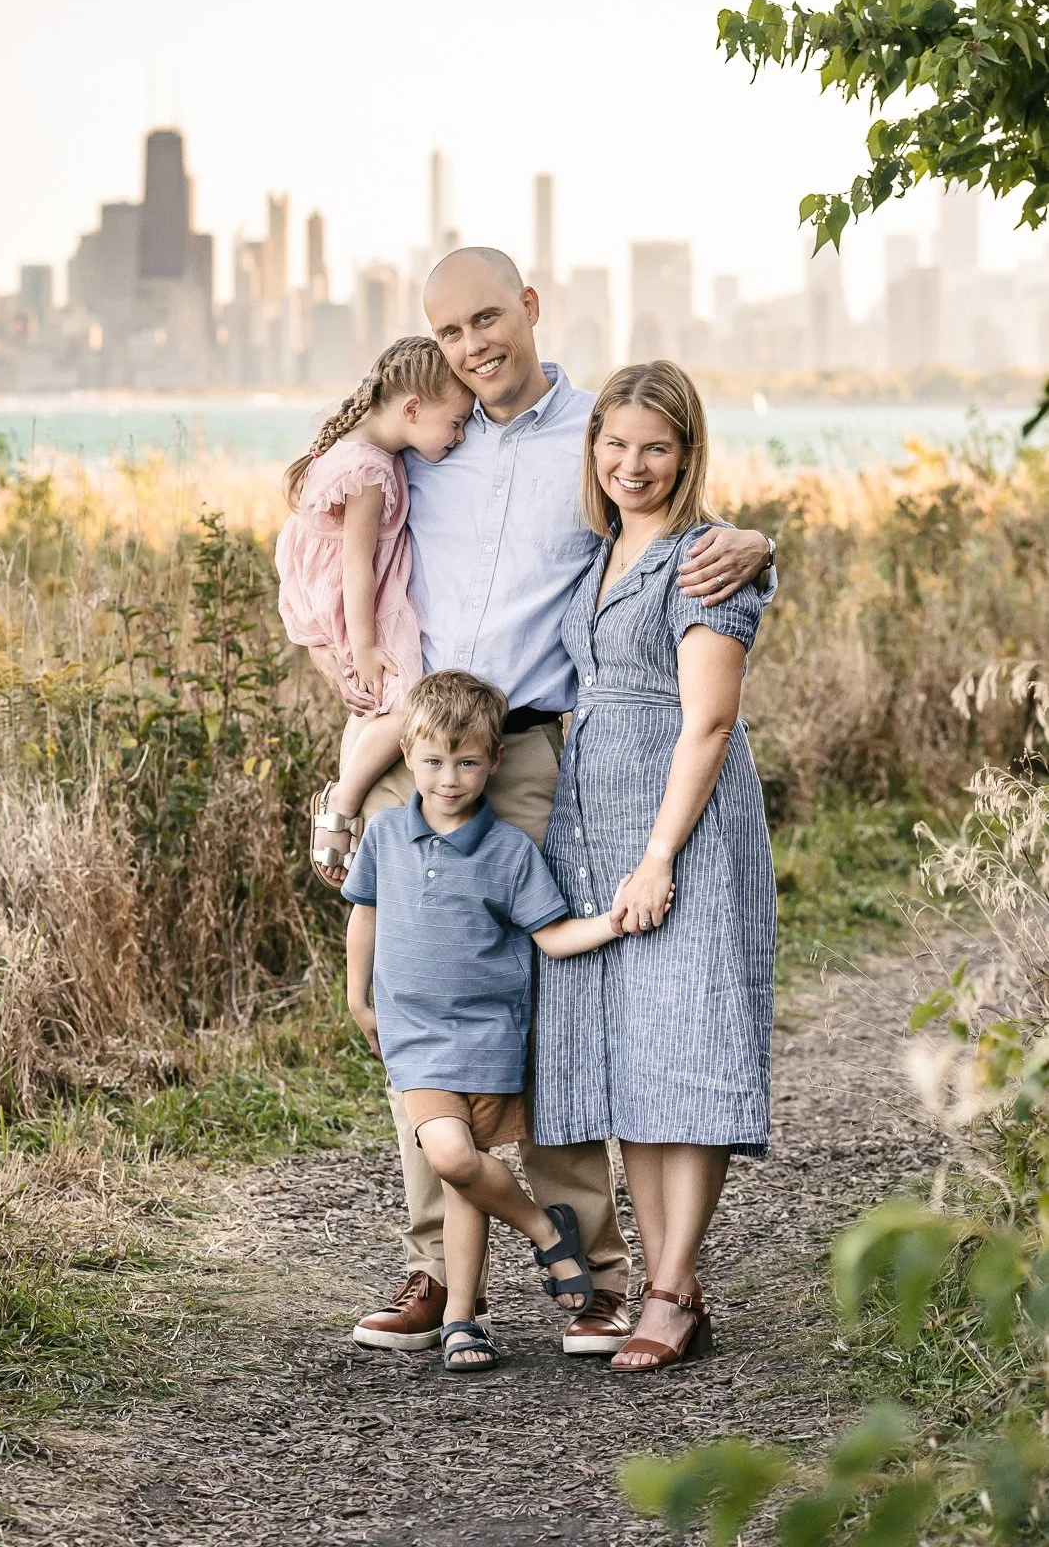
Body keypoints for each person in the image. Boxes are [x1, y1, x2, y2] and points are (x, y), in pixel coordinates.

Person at [307, 247, 774, 1355]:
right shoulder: (431, 440)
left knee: (553, 1008)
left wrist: (763, 550)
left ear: (527, 307)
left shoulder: (593, 436)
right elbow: (330, 504)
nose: (475, 345)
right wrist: (348, 758)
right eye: (450, 330)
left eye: (487, 319)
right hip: (417, 752)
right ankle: (435, 1264)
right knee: (423, 1006)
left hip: (529, 758)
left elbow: (683, 543)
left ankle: (597, 1277)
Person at [532, 359, 777, 1372]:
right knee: (636, 1058)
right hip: (593, 821)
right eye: (615, 443)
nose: (631, 464)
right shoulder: (595, 550)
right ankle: (663, 1278)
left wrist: (658, 857)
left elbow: (708, 719)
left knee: (690, 1046)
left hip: (683, 821)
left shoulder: (708, 558)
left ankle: (671, 1286)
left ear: (686, 454)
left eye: (656, 447)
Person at [343, 671, 636, 1372]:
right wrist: (357, 995)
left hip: (487, 1039)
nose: (449, 779)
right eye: (434, 761)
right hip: (416, 1039)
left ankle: (461, 1320)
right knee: (448, 1156)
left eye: (467, 762)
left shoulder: (508, 851)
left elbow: (552, 934)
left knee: (464, 1175)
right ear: (407, 753)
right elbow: (365, 914)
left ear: (494, 762)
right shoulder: (386, 834)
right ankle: (543, 1228)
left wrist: (613, 922)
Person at [276, 336, 473, 881]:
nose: (458, 436)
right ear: (412, 409)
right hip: (359, 602)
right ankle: (341, 802)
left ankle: (348, 812)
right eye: (454, 423)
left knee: (377, 710)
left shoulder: (356, 450)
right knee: (408, 706)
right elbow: (357, 565)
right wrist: (363, 643)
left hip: (326, 592)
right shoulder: (370, 472)